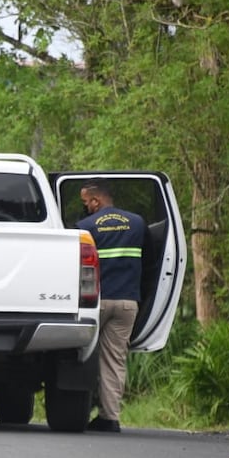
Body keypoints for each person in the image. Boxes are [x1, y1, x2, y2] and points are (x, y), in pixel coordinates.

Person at [77, 180, 146, 433]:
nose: (85, 208)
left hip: (95, 303)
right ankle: (110, 417)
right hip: (127, 303)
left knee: (77, 356)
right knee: (114, 360)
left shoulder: (85, 227)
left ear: (95, 201)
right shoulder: (137, 223)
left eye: (86, 203)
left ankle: (77, 410)